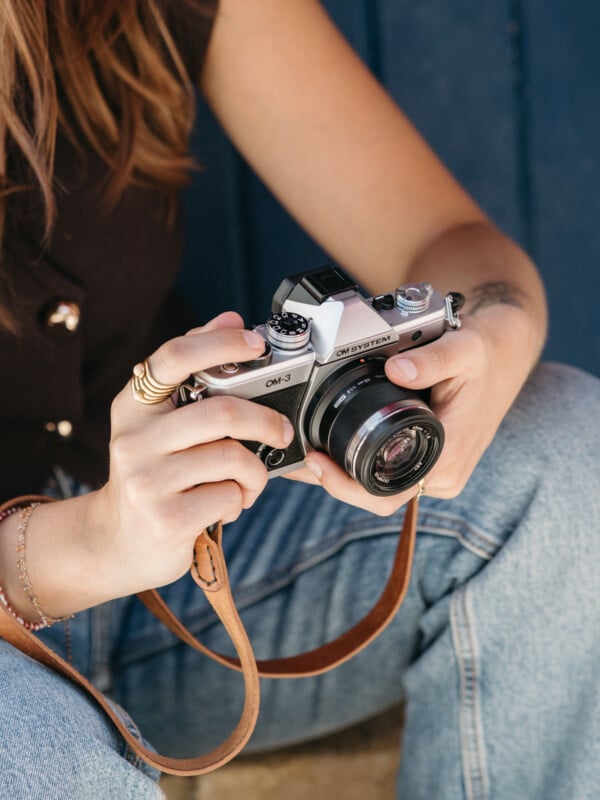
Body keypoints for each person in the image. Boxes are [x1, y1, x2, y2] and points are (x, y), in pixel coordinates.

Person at [0, 1, 598, 798]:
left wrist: (490, 333)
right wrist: (88, 544)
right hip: (64, 573)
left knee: (563, 448)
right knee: (52, 772)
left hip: (194, 561)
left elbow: (451, 242)